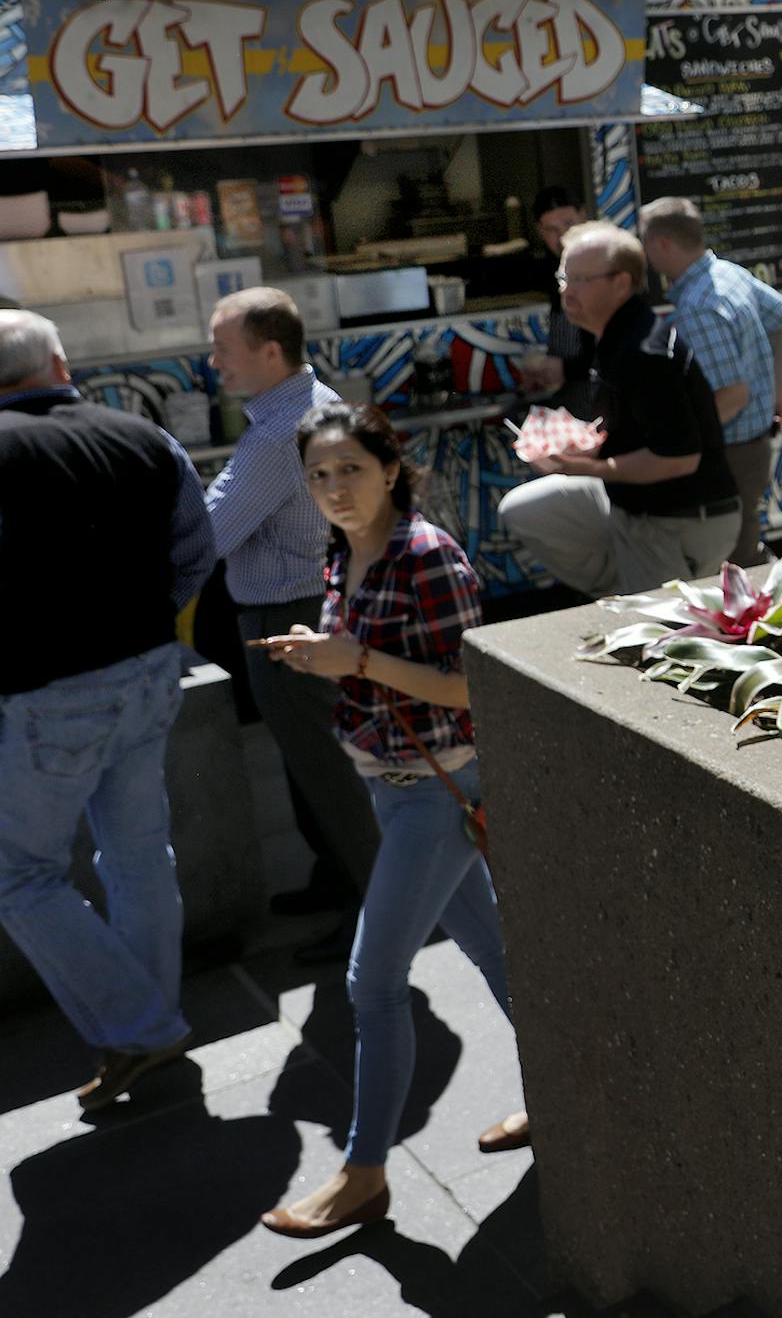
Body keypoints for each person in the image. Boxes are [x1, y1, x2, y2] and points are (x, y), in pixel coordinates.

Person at [257, 402, 525, 1238]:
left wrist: (357, 659)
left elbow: (475, 687)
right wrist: (325, 650)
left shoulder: (425, 555)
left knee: (371, 985)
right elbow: (375, 665)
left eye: (351, 471)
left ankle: (363, 1172)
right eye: (319, 476)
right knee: (499, 957)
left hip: (434, 790)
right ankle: (571, 1095)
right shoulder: (348, 552)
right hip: (394, 783)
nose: (335, 489)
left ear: (389, 468)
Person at [0, 310, 215, 1111]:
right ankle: (144, 1026)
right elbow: (196, 547)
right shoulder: (142, 435)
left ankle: (143, 1024)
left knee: (20, 877)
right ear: (57, 361)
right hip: (150, 670)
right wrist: (148, 622)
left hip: (49, 691)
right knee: (137, 853)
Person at [204, 287, 376, 958]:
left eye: (224, 348)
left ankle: (375, 912)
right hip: (308, 605)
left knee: (328, 772)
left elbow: (211, 531)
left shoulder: (280, 432)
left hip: (288, 616)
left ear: (270, 351)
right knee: (315, 765)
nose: (213, 362)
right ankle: (339, 879)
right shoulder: (311, 403)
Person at [500, 222, 739, 597]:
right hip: (631, 500)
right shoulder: (613, 337)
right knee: (523, 510)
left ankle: (641, 599)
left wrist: (582, 466)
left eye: (581, 279)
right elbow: (634, 426)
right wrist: (587, 448)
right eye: (564, 277)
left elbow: (679, 459)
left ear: (622, 284)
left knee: (661, 641)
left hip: (676, 516)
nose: (566, 290)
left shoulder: (644, 352)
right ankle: (624, 590)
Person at [636, 196, 782, 567]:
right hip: (750, 447)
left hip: (732, 455)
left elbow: (731, 396)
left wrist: (678, 447)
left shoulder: (699, 306)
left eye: (646, 242)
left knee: (734, 568)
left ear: (663, 243)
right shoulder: (728, 274)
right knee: (741, 556)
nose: (645, 253)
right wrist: (779, 394)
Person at [516, 185, 592, 400]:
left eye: (569, 223)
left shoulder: (602, 273)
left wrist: (564, 369)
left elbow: (615, 356)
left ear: (583, 215)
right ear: (540, 230)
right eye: (551, 229)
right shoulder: (554, 272)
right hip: (570, 404)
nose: (562, 236)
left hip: (602, 407)